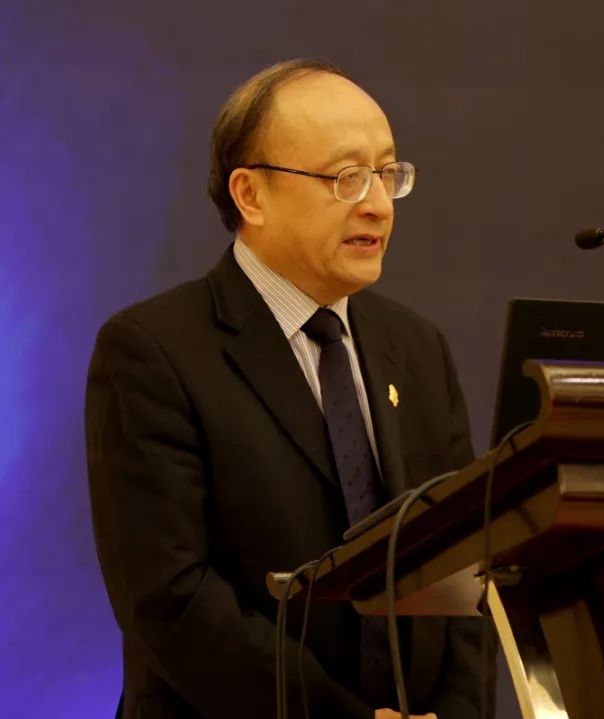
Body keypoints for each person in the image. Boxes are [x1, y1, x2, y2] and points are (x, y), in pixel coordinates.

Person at [85, 59, 486, 719]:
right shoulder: (153, 352)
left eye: (387, 173)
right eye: (346, 177)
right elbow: (170, 598)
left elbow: (463, 562)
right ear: (251, 195)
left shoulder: (417, 348)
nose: (378, 204)